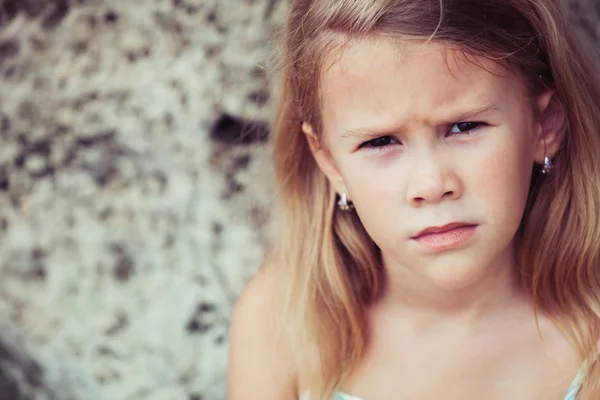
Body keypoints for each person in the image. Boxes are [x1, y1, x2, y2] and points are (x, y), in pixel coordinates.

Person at [227, 0, 600, 399]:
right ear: (330, 163)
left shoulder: (591, 342)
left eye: (464, 126)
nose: (431, 184)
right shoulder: (281, 319)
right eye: (381, 141)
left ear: (544, 125)